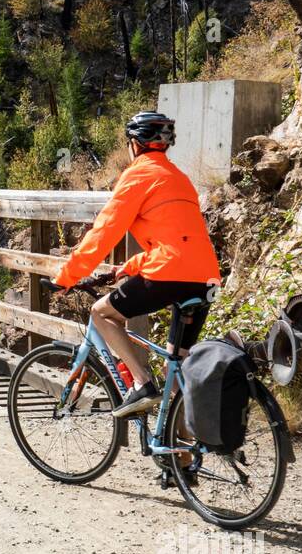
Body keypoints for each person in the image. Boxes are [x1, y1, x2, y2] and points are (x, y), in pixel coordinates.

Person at [53, 112, 221, 417]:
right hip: (207, 277)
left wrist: (67, 276)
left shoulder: (138, 174)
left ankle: (141, 384)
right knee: (176, 367)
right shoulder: (178, 178)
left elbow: (105, 231)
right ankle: (179, 458)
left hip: (172, 273)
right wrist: (128, 267)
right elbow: (180, 240)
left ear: (134, 144)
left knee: (101, 312)